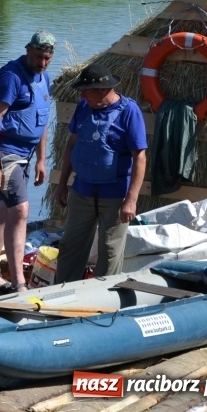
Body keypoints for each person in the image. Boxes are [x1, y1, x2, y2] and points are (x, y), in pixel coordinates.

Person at [53, 63, 147, 283]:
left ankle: (103, 295)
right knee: (70, 245)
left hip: (114, 196)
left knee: (110, 250)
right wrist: (62, 184)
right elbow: (71, 146)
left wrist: (131, 199)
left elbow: (140, 157)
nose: (82, 96)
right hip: (82, 191)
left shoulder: (129, 111)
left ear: (103, 90)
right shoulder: (84, 107)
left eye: (87, 92)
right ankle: (62, 290)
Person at [0, 31, 55, 293]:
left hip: (27, 153)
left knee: (6, 210)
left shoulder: (44, 78)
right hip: (6, 150)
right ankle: (19, 282)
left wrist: (41, 159)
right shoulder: (11, 76)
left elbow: (42, 120)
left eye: (47, 58)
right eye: (38, 56)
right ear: (27, 50)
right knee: (20, 211)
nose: (42, 63)